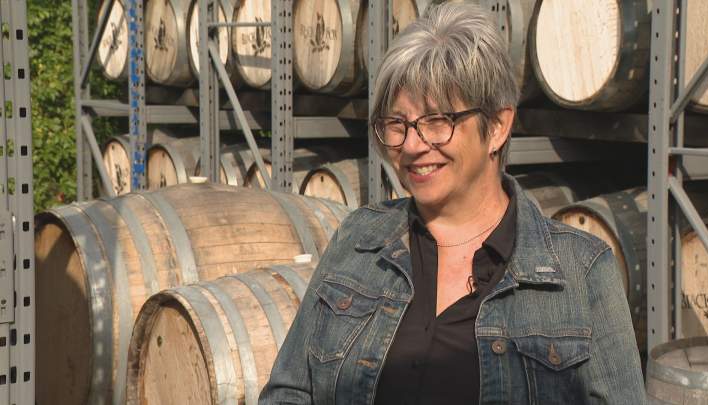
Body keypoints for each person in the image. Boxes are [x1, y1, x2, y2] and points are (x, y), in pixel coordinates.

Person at [260, 3, 646, 404]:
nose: (412, 145)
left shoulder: (582, 270)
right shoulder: (359, 238)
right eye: (397, 124)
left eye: (436, 121)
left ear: (497, 127)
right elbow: (290, 389)